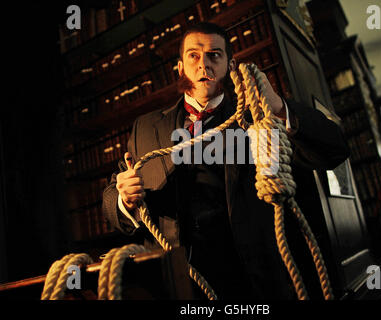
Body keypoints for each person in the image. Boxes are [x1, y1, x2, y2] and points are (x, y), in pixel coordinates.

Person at [102, 22, 349, 299]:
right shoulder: (146, 127)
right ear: (180, 67)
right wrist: (124, 199)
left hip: (252, 282)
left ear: (231, 65)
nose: (203, 65)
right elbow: (112, 198)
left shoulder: (261, 120)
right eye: (194, 55)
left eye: (214, 56)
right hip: (177, 281)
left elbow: (335, 150)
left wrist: (278, 106)